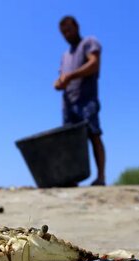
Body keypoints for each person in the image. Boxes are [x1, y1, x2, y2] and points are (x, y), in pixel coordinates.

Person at [54, 16, 106, 186]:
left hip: (86, 99)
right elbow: (60, 78)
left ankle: (101, 177)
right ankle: (72, 179)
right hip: (69, 103)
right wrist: (59, 82)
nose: (67, 34)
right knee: (70, 142)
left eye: (69, 30)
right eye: (63, 33)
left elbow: (94, 64)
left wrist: (70, 76)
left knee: (94, 134)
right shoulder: (65, 55)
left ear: (76, 26)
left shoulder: (90, 42)